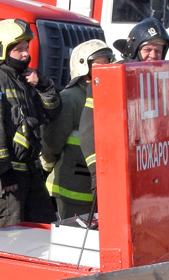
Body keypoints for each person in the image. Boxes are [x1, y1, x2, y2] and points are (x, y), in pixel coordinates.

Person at [0, 19, 61, 229]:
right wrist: (4, 170)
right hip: (6, 177)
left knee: (41, 234)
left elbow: (53, 113)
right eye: (19, 49)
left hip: (30, 173)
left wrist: (44, 86)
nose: (25, 54)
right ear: (1, 50)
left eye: (26, 48)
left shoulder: (26, 80)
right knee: (7, 239)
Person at [41, 39, 115, 219]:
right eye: (99, 65)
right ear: (83, 67)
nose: (104, 69)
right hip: (71, 190)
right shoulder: (71, 99)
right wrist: (47, 163)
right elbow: (52, 140)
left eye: (107, 64)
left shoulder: (108, 94)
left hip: (100, 188)